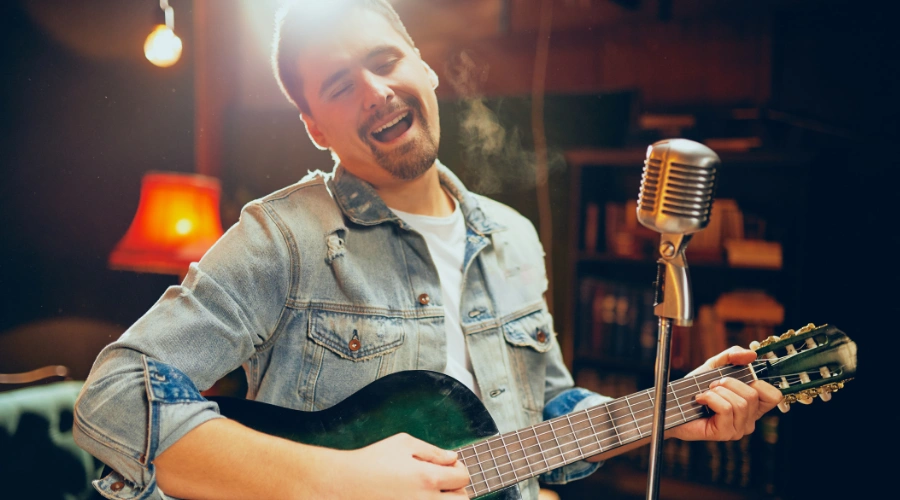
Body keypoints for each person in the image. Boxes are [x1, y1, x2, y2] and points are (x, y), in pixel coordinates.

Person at [73, 1, 784, 499]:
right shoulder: (282, 238)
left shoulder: (513, 236)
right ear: (315, 126)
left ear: (424, 66)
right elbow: (114, 398)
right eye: (339, 86)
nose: (375, 92)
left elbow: (544, 410)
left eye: (385, 61)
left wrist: (675, 410)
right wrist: (341, 482)